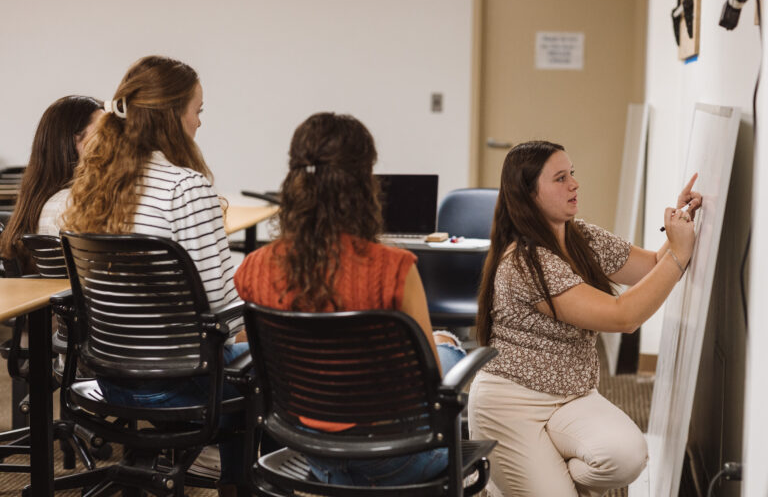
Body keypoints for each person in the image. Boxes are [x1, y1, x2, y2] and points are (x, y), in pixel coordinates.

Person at [234, 112, 466, 487]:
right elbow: (432, 384)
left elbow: (253, 353)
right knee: (451, 351)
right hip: (394, 459)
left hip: (305, 448)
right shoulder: (394, 269)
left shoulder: (255, 268)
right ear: (365, 184)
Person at [467, 140, 699, 497]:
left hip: (572, 396)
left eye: (571, 173)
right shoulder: (523, 263)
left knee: (628, 457)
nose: (574, 184)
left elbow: (652, 267)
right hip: (509, 406)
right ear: (529, 196)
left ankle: (534, 477)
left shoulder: (582, 237)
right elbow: (624, 317)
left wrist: (681, 222)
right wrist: (680, 256)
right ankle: (511, 482)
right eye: (560, 178)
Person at [62, 56, 247, 496]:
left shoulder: (93, 187)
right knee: (277, 374)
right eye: (197, 110)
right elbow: (223, 309)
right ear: (172, 116)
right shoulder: (186, 188)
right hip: (180, 388)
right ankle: (241, 486)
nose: (200, 122)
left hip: (110, 380)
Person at [0, 95, 103, 272]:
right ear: (73, 142)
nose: (116, 142)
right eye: (104, 134)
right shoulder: (70, 204)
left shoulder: (41, 202)